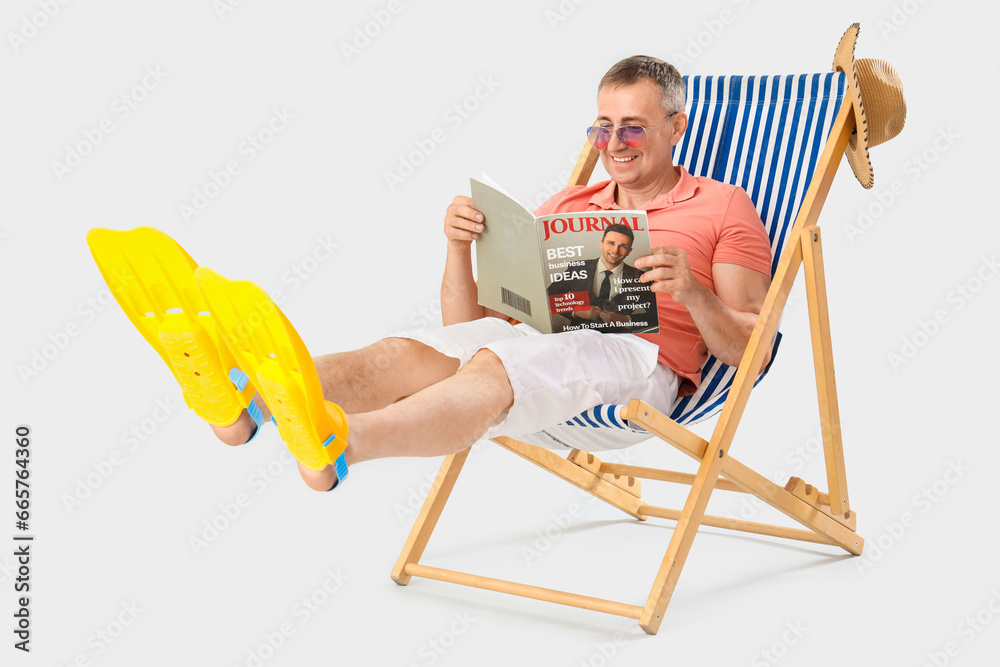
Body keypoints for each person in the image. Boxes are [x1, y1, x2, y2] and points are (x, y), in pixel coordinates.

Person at [209, 54, 774, 492]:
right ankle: (246, 399)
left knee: (493, 366)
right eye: (602, 129)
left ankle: (343, 444)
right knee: (410, 352)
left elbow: (754, 348)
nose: (613, 145)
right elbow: (467, 327)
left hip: (639, 359)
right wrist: (459, 248)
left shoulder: (723, 207)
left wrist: (695, 293)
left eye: (632, 128)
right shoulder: (569, 204)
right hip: (539, 341)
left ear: (675, 128)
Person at [546, 223, 657, 332]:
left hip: (619, 339)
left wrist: (626, 320)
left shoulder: (640, 277)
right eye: (611, 243)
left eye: (623, 246)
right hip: (578, 336)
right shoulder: (577, 268)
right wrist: (576, 311)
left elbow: (655, 316)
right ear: (601, 244)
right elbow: (549, 296)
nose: (615, 250)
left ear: (629, 251)